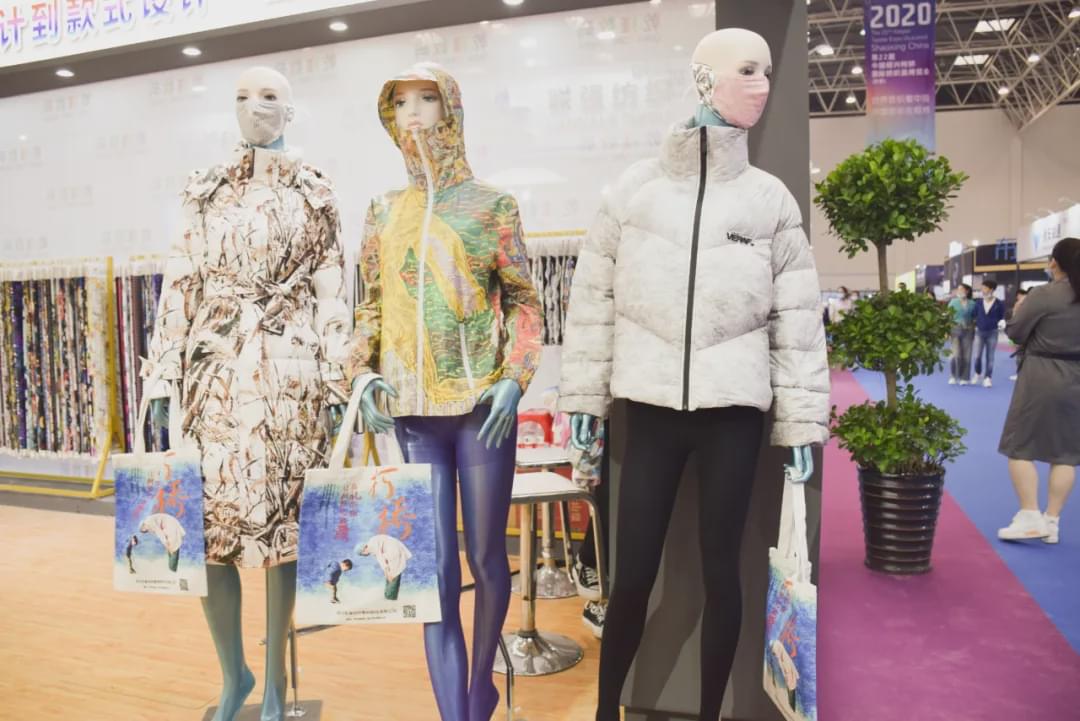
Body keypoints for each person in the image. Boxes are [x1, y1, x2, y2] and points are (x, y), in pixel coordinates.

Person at [997, 237, 1080, 545]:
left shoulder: (1044, 294)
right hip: (1076, 377)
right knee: (1066, 454)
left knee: (1019, 446)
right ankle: (1051, 521)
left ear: (1054, 262)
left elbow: (1016, 332)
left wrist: (1019, 310)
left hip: (1042, 375)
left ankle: (1030, 515)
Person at [972, 279, 1006, 387]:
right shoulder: (978, 302)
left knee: (990, 357)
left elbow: (1002, 316)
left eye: (984, 288)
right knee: (977, 356)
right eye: (982, 288)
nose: (982, 290)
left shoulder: (999, 303)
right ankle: (977, 373)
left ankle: (988, 378)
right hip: (979, 332)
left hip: (993, 332)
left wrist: (1001, 322)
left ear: (991, 289)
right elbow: (973, 314)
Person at [947, 284, 976, 385]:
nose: (959, 291)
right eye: (958, 289)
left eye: (961, 289)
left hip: (968, 330)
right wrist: (947, 331)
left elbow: (974, 317)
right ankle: (953, 376)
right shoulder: (953, 302)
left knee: (967, 355)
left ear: (967, 291)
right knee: (955, 354)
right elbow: (948, 316)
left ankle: (964, 377)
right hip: (955, 330)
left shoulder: (972, 303)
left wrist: (973, 325)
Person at [1008, 288, 1029, 381]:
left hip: (1021, 332)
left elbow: (1015, 318)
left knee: (1020, 354)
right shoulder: (1028, 303)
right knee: (1021, 353)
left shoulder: (1020, 303)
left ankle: (1020, 374)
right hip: (1023, 332)